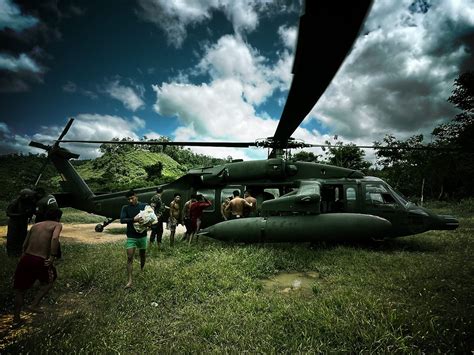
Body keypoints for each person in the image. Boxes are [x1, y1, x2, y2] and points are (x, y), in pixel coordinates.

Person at [13, 208, 63, 324]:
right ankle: (34, 304)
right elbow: (55, 238)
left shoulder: (36, 225)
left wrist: (23, 256)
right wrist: (52, 256)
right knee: (50, 281)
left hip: (26, 258)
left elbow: (25, 243)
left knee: (20, 290)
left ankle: (16, 318)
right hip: (40, 259)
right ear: (58, 217)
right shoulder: (57, 224)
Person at [120, 190, 147, 289]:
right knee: (130, 257)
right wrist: (133, 220)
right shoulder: (125, 208)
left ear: (136, 196)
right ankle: (130, 280)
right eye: (129, 199)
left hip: (142, 235)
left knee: (142, 255)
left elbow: (151, 217)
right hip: (131, 236)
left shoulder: (144, 206)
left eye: (132, 198)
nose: (131, 201)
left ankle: (142, 270)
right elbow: (122, 220)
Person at [6, 188, 36, 257]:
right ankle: (11, 253)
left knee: (22, 237)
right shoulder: (15, 202)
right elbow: (8, 213)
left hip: (23, 222)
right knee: (12, 237)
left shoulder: (28, 202)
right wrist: (21, 215)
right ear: (25, 196)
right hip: (14, 222)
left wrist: (29, 213)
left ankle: (20, 251)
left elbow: (32, 210)